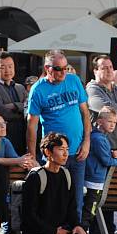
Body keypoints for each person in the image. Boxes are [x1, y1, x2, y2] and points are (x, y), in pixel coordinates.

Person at [14, 133, 102, 234]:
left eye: (67, 149)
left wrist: (77, 226)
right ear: (48, 152)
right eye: (61, 149)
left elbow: (72, 208)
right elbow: (29, 216)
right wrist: (53, 232)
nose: (66, 153)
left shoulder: (66, 175)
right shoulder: (36, 177)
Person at [26, 50, 91, 220]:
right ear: (47, 68)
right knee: (53, 202)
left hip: (77, 152)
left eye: (66, 68)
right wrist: (32, 156)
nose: (63, 72)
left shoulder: (74, 80)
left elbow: (85, 113)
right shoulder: (38, 89)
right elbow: (31, 126)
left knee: (76, 201)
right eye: (58, 69)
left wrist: (87, 141)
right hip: (53, 155)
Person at [0, 52, 28, 154]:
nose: (7, 70)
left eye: (10, 66)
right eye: (2, 67)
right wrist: (22, 110)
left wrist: (14, 106)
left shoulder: (20, 88)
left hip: (23, 138)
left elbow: (29, 109)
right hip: (3, 140)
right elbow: (0, 113)